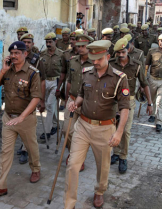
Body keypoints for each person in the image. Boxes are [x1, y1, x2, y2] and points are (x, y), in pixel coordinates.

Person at [64, 40, 130, 208]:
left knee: (103, 167)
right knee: (72, 164)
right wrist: (75, 103)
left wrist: (119, 132)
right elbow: (81, 94)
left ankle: (99, 191)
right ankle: (69, 203)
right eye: (93, 58)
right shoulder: (86, 73)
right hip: (83, 126)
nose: (95, 62)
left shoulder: (119, 78)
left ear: (107, 56)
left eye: (99, 59)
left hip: (105, 129)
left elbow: (124, 108)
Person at [0, 41, 42, 199]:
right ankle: (0, 186)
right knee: (5, 152)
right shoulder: (7, 71)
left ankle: (36, 169)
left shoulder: (33, 73)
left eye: (17, 53)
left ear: (25, 54)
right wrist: (2, 71)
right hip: (8, 118)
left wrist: (22, 117)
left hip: (26, 119)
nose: (13, 56)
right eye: (11, 53)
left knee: (31, 148)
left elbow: (36, 98)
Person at [109, 38, 153, 173]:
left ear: (128, 50)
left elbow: (144, 84)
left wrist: (150, 103)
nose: (121, 55)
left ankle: (123, 156)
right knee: (113, 128)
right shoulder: (111, 64)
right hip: (113, 101)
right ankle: (115, 152)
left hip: (129, 101)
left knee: (125, 130)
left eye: (123, 52)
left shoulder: (137, 65)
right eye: (118, 53)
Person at [62, 34, 94, 172]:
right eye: (78, 46)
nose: (80, 48)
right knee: (67, 130)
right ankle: (73, 153)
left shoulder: (95, 62)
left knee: (82, 134)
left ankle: (78, 158)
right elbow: (69, 80)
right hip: (72, 100)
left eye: (83, 46)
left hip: (87, 102)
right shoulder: (73, 61)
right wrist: (66, 98)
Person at [19, 33, 46, 164]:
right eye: (24, 42)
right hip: (18, 95)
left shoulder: (37, 59)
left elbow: (42, 80)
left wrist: (41, 99)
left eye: (29, 42)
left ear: (32, 44)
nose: (27, 44)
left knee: (28, 124)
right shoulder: (16, 56)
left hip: (31, 96)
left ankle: (25, 149)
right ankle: (23, 144)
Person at [39, 32, 63, 142]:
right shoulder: (42, 54)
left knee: (49, 105)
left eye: (50, 42)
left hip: (56, 82)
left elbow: (64, 71)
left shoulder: (61, 55)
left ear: (55, 41)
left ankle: (47, 132)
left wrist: (61, 87)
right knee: (51, 106)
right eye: (47, 42)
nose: (48, 44)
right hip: (45, 81)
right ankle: (55, 123)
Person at [56, 31, 81, 107]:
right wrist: (58, 88)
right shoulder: (66, 54)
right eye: (71, 39)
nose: (71, 41)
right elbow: (63, 72)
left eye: (74, 39)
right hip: (68, 85)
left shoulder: (84, 54)